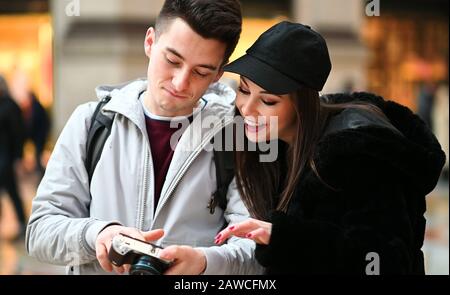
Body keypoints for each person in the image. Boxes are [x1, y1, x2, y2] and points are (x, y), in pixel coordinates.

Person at [26, 0, 262, 275]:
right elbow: (39, 231)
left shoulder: (234, 136)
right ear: (150, 42)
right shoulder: (90, 122)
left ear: (218, 75)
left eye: (200, 72)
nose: (180, 82)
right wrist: (97, 234)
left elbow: (253, 250)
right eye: (172, 61)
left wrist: (205, 263)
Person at [215, 21, 446, 274]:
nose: (247, 108)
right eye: (244, 90)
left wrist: (287, 238)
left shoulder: (357, 153)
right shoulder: (270, 146)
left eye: (268, 101)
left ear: (302, 105)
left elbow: (385, 261)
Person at [0, 75, 27, 240]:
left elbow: (19, 134)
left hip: (7, 157)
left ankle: (23, 224)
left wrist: (18, 157)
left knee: (12, 192)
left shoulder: (10, 106)